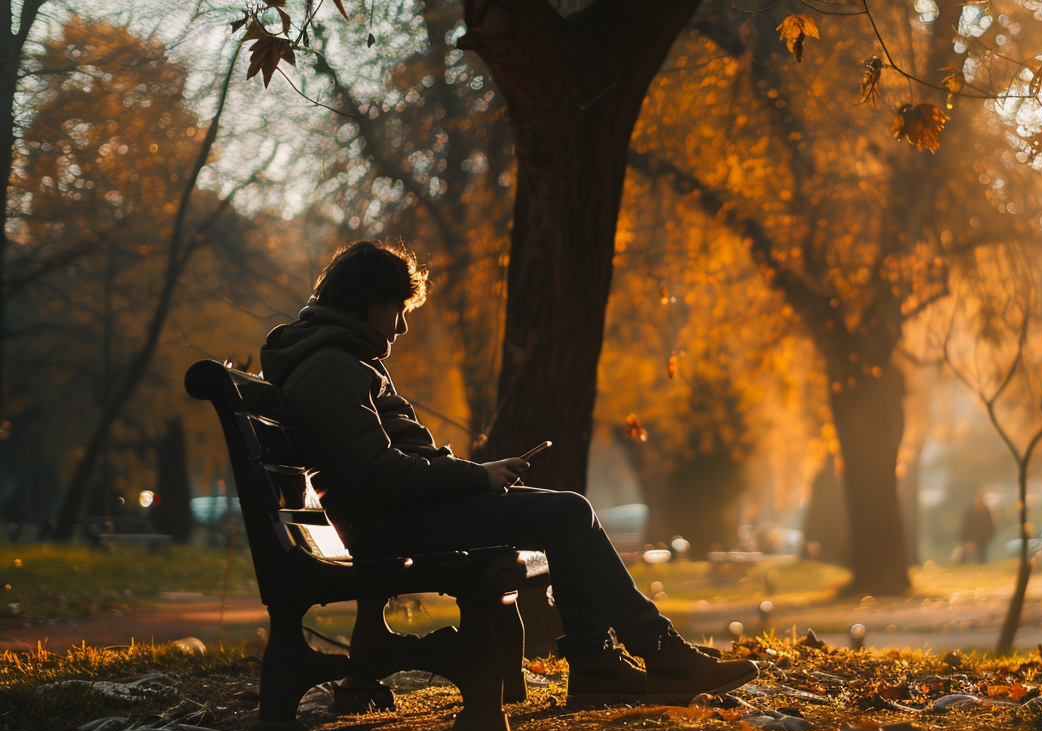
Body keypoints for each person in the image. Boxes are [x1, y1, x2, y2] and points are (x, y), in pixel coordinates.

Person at [259, 240, 757, 705]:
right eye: (398, 310)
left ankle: (600, 665)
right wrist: (477, 478)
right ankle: (646, 654)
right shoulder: (330, 366)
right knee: (567, 512)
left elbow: (384, 468)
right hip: (390, 527)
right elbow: (379, 474)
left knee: (564, 513)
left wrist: (469, 473)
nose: (402, 328)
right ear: (368, 302)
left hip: (401, 516)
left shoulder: (342, 359)